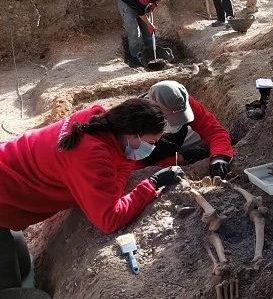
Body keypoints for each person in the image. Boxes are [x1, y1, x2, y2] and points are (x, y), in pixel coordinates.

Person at [0, 98, 184, 289]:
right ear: (132, 135)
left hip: (8, 177)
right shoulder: (90, 155)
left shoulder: (102, 121)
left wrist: (115, 188)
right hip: (4, 195)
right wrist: (152, 184)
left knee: (24, 267)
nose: (152, 148)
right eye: (151, 142)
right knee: (10, 287)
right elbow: (109, 219)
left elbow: (121, 166)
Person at [140, 80, 234, 178]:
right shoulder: (138, 123)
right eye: (172, 117)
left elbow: (214, 131)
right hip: (150, 156)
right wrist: (179, 158)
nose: (176, 121)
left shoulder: (181, 102)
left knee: (219, 141)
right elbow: (137, 167)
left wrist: (219, 156)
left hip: (177, 141)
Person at [118, 0, 175, 67]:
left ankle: (151, 50)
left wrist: (153, 6)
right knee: (134, 33)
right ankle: (136, 57)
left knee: (148, 31)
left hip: (140, 4)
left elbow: (154, 1)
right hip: (127, 5)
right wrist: (149, 24)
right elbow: (140, 11)